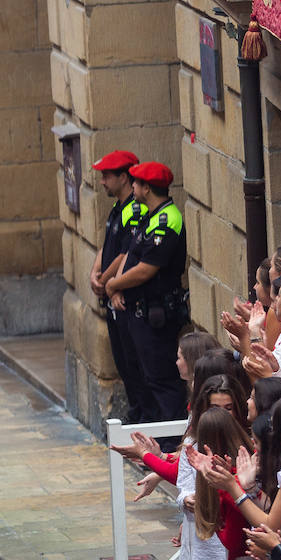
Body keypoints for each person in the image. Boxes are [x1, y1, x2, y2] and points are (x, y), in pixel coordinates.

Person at [106, 161, 189, 423]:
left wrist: (113, 285)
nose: (133, 187)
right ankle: (152, 435)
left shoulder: (168, 220)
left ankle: (169, 443)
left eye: (137, 183)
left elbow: (146, 269)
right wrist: (117, 287)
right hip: (139, 310)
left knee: (162, 378)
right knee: (143, 375)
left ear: (147, 188)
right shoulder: (148, 216)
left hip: (157, 312)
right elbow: (130, 253)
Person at [88, 150, 149, 422]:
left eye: (106, 176)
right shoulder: (118, 208)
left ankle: (143, 417)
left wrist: (106, 282)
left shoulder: (134, 210)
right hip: (111, 294)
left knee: (135, 363)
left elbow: (126, 253)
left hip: (125, 299)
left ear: (124, 177)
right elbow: (107, 246)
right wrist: (95, 272)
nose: (102, 181)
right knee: (123, 362)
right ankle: (136, 414)